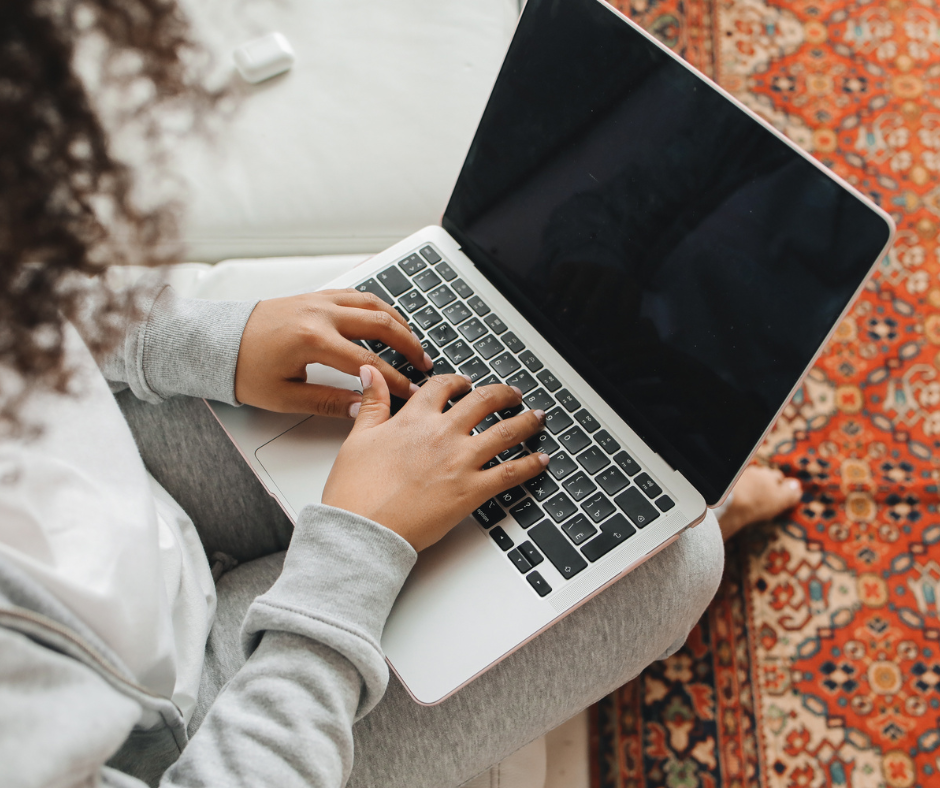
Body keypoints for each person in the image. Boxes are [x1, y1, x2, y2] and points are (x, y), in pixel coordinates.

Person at [0, 3, 800, 787]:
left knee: (479, 353)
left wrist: (198, 341)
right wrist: (356, 550)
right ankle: (686, 511)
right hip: (209, 716)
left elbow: (21, 306)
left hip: (131, 470)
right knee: (674, 561)